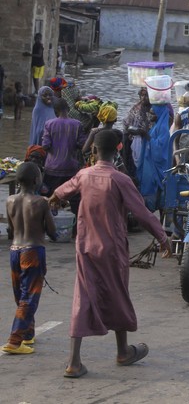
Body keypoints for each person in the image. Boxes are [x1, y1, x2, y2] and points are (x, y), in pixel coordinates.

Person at [49, 129, 172, 379]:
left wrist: (53, 199)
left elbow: (61, 191)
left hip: (85, 247)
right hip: (112, 249)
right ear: (118, 149)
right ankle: (123, 352)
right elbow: (142, 213)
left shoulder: (84, 175)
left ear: (93, 150)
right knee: (117, 293)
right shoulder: (120, 179)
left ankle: (74, 362)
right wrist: (162, 236)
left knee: (82, 298)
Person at [3, 162, 57, 355]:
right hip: (33, 251)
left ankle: (27, 334)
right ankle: (15, 341)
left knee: (21, 294)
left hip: (14, 251)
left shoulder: (9, 200)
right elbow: (53, 232)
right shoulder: (41, 202)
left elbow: (11, 229)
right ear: (36, 180)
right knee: (30, 297)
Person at [41, 100, 86, 215]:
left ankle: (49, 224)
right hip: (71, 168)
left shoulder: (49, 124)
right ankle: (75, 228)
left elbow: (45, 145)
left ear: (55, 111)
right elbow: (82, 145)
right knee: (75, 200)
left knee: (49, 198)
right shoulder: (77, 124)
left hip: (52, 168)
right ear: (69, 109)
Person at [122, 88, 152, 177]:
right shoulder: (135, 109)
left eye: (146, 95)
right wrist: (134, 131)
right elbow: (126, 124)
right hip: (135, 140)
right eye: (142, 95)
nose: (144, 98)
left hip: (149, 140)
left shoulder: (154, 110)